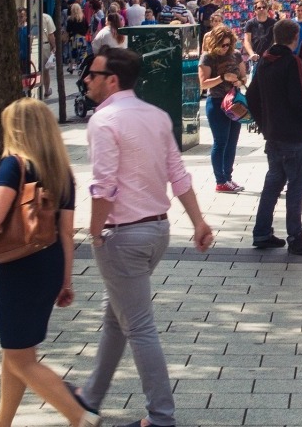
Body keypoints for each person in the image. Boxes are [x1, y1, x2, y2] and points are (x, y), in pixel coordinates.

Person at [78, 47, 214, 427]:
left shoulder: (104, 121)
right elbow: (178, 174)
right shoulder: (155, 116)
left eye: (93, 73)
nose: (87, 78)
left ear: (113, 80)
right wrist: (198, 222)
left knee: (137, 326)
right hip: (157, 231)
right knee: (117, 318)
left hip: (123, 235)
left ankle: (160, 416)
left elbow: (103, 185)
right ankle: (89, 398)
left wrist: (95, 231)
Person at [0, 98, 96, 427]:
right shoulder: (63, 172)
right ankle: (2, 424)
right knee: (16, 352)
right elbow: (67, 232)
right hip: (50, 264)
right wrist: (66, 280)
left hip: (21, 268)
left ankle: (80, 416)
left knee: (20, 356)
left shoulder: (14, 165)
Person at [246, 18, 302, 255]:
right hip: (293, 134)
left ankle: (262, 231)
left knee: (273, 182)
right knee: (296, 185)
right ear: (295, 38)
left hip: (273, 134)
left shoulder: (264, 61)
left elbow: (251, 94)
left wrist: (263, 122)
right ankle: (295, 236)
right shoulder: (291, 62)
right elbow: (300, 98)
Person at [198, 25, 246, 193]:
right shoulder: (207, 58)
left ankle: (228, 177)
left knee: (232, 142)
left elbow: (244, 76)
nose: (225, 48)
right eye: (222, 45)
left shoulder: (236, 55)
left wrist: (239, 81)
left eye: (227, 45)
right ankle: (220, 180)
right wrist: (222, 78)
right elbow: (203, 84)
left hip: (235, 102)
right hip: (217, 101)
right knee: (221, 141)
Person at [242, 1, 276, 77]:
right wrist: (251, 54)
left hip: (270, 59)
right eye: (259, 7)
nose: (261, 9)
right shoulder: (250, 23)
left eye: (264, 7)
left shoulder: (274, 23)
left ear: (267, 9)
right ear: (255, 10)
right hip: (255, 59)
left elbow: (277, 40)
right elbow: (247, 40)